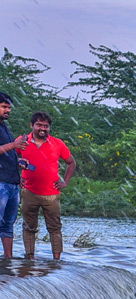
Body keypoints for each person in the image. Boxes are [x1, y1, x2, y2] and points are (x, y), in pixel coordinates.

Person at [19, 111, 75, 260]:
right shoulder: (22, 141)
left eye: (46, 126)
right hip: (29, 191)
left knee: (55, 228)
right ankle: (29, 259)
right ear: (32, 125)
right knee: (29, 227)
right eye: (39, 125)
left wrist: (65, 181)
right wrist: (16, 177)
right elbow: (9, 159)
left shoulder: (57, 143)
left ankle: (56, 260)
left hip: (51, 193)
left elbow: (71, 163)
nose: (42, 129)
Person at [0, 92, 26, 259]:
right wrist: (14, 145)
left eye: (9, 108)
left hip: (12, 183)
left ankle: (8, 259)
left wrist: (19, 161)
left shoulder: (5, 127)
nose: (7, 110)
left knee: (8, 224)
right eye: (4, 107)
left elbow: (6, 152)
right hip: (1, 182)